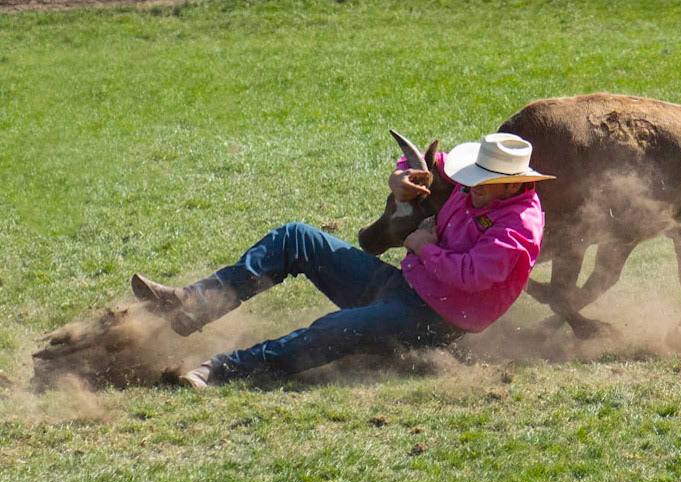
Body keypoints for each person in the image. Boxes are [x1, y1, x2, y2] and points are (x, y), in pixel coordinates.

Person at [131, 133, 555, 388]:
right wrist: (401, 176)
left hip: (434, 319)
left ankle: (222, 370)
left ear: (511, 184)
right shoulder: (478, 187)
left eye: (481, 183)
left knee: (334, 330)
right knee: (296, 237)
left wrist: (421, 245)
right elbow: (426, 168)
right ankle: (193, 304)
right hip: (406, 286)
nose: (468, 186)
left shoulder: (519, 226)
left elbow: (473, 276)